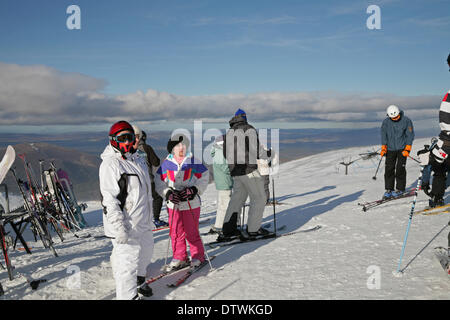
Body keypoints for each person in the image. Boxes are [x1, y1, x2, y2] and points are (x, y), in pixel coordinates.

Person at [99, 120, 154, 300]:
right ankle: (128, 296)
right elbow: (109, 200)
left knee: (146, 253)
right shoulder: (111, 165)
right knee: (127, 264)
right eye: (123, 138)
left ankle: (139, 280)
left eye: (130, 137)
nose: (128, 142)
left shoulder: (137, 159)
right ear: (113, 140)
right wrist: (119, 228)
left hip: (143, 221)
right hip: (126, 225)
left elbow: (145, 191)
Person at [155, 133, 209, 272]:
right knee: (176, 231)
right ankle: (180, 257)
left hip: (191, 203)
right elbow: (159, 181)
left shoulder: (193, 161)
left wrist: (194, 189)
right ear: (172, 148)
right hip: (174, 203)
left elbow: (204, 177)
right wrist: (167, 193)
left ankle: (198, 256)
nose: (181, 147)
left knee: (192, 231)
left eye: (184, 145)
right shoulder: (167, 163)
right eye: (178, 145)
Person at [220, 108, 271, 241]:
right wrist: (267, 155)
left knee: (237, 199)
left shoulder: (229, 132)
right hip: (248, 170)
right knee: (259, 198)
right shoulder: (249, 129)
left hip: (236, 172)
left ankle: (228, 230)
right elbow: (257, 150)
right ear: (244, 117)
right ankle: (254, 229)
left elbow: (225, 154)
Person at [132, 125, 167, 228]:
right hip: (147, 179)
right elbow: (156, 162)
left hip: (134, 181)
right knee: (157, 197)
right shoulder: (146, 148)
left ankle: (139, 222)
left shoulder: (129, 149)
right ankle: (155, 219)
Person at [428, 53, 450, 208]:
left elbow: (446, 122)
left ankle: (437, 198)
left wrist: (443, 144)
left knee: (439, 166)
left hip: (447, 141)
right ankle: (437, 197)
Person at [380, 105, 415, 199]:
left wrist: (407, 148)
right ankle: (389, 190)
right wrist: (384, 146)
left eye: (396, 117)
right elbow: (383, 134)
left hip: (402, 149)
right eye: (393, 118)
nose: (395, 119)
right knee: (389, 169)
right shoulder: (386, 122)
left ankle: (400, 189)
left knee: (400, 169)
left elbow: (410, 135)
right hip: (390, 149)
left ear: (399, 113)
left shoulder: (406, 121)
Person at [209, 134, 233, 234]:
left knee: (222, 204)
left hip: (222, 181)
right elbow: (225, 168)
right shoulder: (221, 153)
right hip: (225, 182)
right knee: (226, 205)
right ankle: (224, 226)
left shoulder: (216, 151)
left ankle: (219, 225)